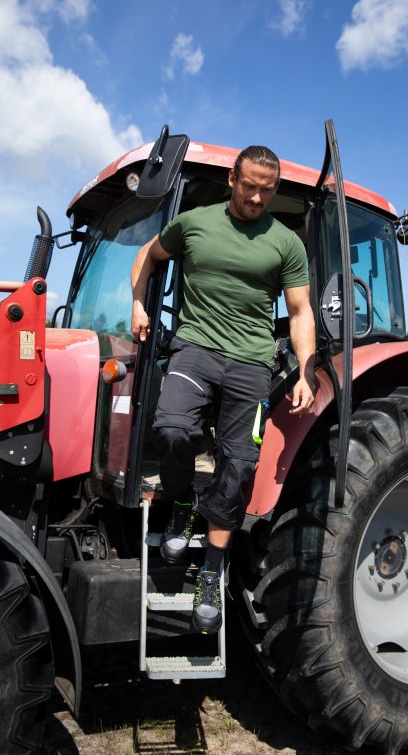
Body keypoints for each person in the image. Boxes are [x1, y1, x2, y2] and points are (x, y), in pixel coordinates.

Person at [130, 145, 316, 634]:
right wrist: (138, 303)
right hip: (196, 349)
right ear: (233, 179)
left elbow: (300, 312)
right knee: (171, 430)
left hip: (252, 364)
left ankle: (211, 572)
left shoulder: (285, 243)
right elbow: (148, 255)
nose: (256, 197)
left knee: (239, 466)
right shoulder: (194, 223)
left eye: (266, 190)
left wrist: (305, 370)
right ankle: (182, 503)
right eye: (249, 186)